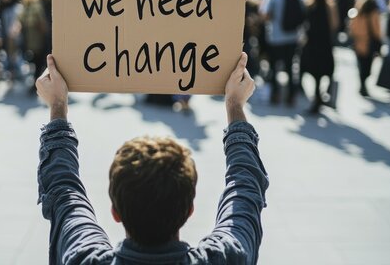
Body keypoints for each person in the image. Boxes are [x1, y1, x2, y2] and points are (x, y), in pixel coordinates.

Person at [35, 52, 269, 264]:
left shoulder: (85, 259)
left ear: (115, 212)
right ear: (189, 210)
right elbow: (245, 188)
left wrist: (57, 105)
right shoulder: (226, 257)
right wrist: (234, 105)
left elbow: (64, 192)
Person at [260, 0, 303, 106]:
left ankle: (275, 94)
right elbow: (302, 13)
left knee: (273, 67)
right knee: (290, 67)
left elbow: (265, 15)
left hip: (275, 37)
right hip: (291, 37)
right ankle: (291, 96)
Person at [301, 0, 339, 113]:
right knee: (327, 71)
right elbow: (335, 25)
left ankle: (317, 99)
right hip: (325, 44)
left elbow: (306, 25)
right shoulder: (330, 8)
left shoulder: (310, 6)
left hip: (313, 44)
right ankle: (323, 95)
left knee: (316, 74)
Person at [349, 0, 382, 97]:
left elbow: (352, 29)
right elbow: (377, 31)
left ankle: (362, 84)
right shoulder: (374, 14)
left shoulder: (356, 13)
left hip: (358, 44)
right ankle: (363, 85)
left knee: (361, 66)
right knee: (367, 67)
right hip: (369, 44)